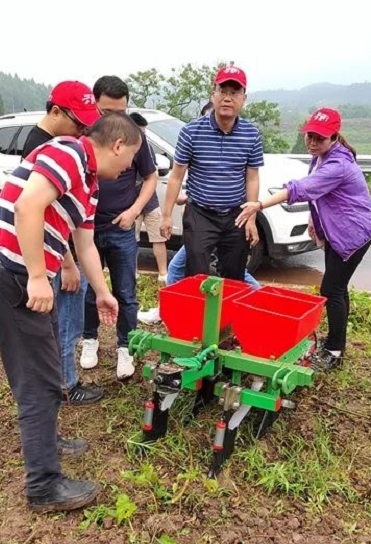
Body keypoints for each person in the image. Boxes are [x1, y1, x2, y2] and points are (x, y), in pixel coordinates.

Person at [0, 111, 143, 512]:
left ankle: (47, 442)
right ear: (117, 145)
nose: (128, 169)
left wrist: (103, 293)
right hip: (10, 278)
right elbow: (27, 206)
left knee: (48, 370)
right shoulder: (67, 152)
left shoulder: (87, 183)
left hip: (29, 279)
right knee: (38, 382)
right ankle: (43, 486)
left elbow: (84, 245)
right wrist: (36, 275)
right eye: (129, 159)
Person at [236, 108, 371, 370]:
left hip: (353, 232)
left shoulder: (338, 165)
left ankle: (334, 351)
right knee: (337, 288)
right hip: (339, 230)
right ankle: (337, 342)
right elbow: (318, 193)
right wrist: (315, 220)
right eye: (309, 136)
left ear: (334, 136)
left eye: (319, 138)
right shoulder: (322, 157)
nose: (312, 142)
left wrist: (258, 205)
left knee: (331, 290)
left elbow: (301, 189)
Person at [20, 81, 104, 406]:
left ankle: (61, 382)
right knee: (61, 321)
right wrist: (67, 262)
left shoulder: (59, 142)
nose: (82, 132)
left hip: (59, 252)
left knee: (63, 318)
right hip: (51, 257)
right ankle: (65, 384)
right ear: (55, 111)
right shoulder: (46, 147)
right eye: (78, 123)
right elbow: (35, 211)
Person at [79, 76, 157, 380]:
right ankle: (90, 340)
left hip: (121, 226)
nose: (114, 120)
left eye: (120, 112)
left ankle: (126, 346)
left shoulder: (134, 136)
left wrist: (134, 211)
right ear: (94, 104)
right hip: (86, 228)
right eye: (106, 112)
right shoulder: (85, 137)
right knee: (88, 288)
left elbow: (150, 177)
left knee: (125, 290)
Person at [159, 64, 262, 281]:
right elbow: (176, 176)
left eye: (234, 93)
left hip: (237, 216)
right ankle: (197, 315)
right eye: (222, 91)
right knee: (196, 275)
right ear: (212, 95)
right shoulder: (191, 131)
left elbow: (252, 177)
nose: (227, 98)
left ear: (244, 98)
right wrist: (167, 216)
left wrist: (251, 218)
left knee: (234, 277)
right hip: (200, 214)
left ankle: (227, 315)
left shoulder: (251, 134)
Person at [129, 112, 168, 282]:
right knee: (131, 240)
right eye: (140, 132)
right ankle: (133, 275)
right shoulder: (121, 148)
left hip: (150, 202)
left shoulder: (148, 149)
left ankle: (163, 275)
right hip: (130, 204)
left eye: (144, 133)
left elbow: (152, 174)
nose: (142, 136)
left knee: (158, 237)